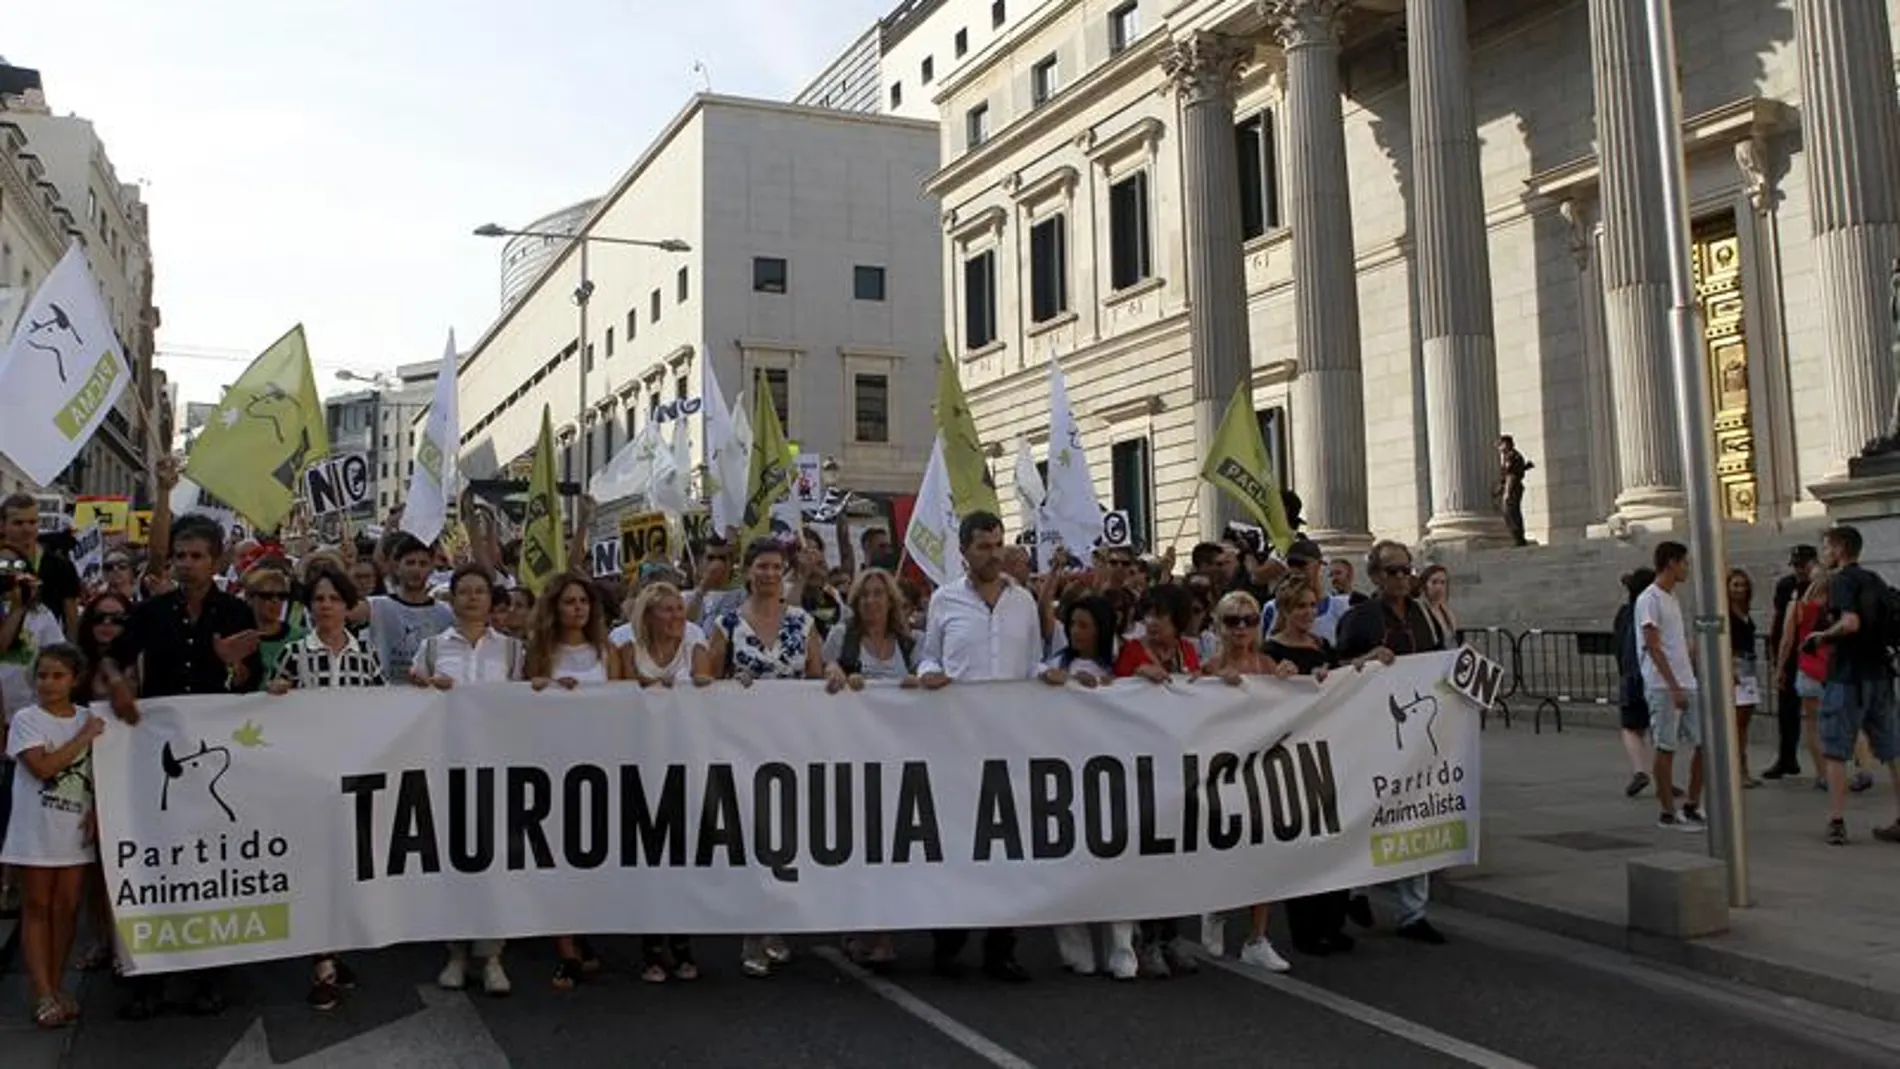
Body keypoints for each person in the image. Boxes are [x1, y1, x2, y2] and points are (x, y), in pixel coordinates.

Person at [101, 514, 265, 1019]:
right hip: (158, 756)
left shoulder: (236, 609)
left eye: (197, 557)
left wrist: (232, 663)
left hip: (215, 758)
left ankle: (210, 973)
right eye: (180, 556)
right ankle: (149, 974)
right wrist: (119, 685)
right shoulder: (151, 612)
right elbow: (109, 658)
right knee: (157, 860)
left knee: (212, 860)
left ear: (216, 561)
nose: (187, 565)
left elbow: (250, 685)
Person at [917, 510, 1042, 983]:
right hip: (957, 742)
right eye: (984, 546)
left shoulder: (1023, 601)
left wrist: (1044, 673)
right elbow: (930, 653)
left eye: (998, 543)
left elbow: (1028, 663)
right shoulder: (944, 600)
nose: (994, 554)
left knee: (1008, 845)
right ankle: (948, 939)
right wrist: (930, 673)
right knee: (955, 840)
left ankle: (1002, 945)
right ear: (965, 551)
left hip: (1010, 742)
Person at [265, 566, 383, 1010]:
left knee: (344, 869)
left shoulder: (365, 655)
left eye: (334, 599)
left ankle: (332, 949)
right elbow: (269, 716)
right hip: (307, 779)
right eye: (318, 599)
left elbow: (383, 713)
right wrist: (274, 693)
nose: (326, 606)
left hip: (351, 777)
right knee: (313, 869)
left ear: (348, 605)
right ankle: (323, 963)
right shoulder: (295, 654)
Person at [708, 538, 822, 977]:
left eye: (777, 566)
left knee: (784, 841)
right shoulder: (728, 625)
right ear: (748, 571)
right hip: (743, 748)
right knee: (750, 840)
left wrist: (831, 673)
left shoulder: (802, 622)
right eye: (762, 566)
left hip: (791, 748)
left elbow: (815, 676)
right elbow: (705, 677)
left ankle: (775, 926)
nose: (770, 574)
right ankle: (751, 933)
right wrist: (725, 683)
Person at [410, 564, 520, 997]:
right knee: (453, 859)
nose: (473, 598)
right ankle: (455, 952)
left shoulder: (512, 651)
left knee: (495, 862)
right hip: (447, 763)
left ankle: (492, 955)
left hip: (497, 764)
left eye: (480, 591)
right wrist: (421, 688)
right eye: (464, 591)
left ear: (492, 601)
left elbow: (528, 704)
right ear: (452, 599)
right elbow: (411, 700)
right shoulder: (433, 647)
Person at [1267, 575, 1386, 957]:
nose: (1306, 612)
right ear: (1285, 610)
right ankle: (1306, 928)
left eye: (1310, 605)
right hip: (1291, 754)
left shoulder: (1320, 645)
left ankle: (1332, 922)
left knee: (1333, 837)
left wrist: (1371, 660)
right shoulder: (1271, 650)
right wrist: (1282, 677)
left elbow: (1343, 675)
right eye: (1299, 606)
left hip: (1329, 749)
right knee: (1303, 841)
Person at [1334, 540, 1445, 944]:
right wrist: (1362, 662)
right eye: (1393, 571)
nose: (1402, 578)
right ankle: (1357, 889)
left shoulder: (1424, 616)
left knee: (1417, 814)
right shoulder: (1359, 618)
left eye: (1406, 570)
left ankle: (1413, 912)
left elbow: (1439, 661)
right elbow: (1336, 669)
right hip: (1373, 734)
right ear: (1377, 577)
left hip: (1416, 737)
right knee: (1370, 814)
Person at [523, 572, 625, 988]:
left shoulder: (607, 649)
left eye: (583, 601)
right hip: (552, 763)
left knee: (587, 853)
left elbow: (623, 700)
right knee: (555, 856)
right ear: (555, 607)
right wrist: (545, 686)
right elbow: (524, 695)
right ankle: (565, 948)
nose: (577, 608)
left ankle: (580, 928)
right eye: (569, 601)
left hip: (597, 763)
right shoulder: (541, 649)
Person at [2, 644, 105, 1028]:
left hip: (74, 831)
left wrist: (97, 809)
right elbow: (42, 768)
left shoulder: (88, 716)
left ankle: (57, 985)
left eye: (58, 675)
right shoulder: (27, 719)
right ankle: (42, 990)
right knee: (38, 907)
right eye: (43, 675)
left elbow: (101, 774)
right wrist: (83, 738)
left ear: (74, 679)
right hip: (35, 830)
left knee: (66, 909)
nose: (48, 682)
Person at [821, 569, 917, 972]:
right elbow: (823, 677)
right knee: (858, 846)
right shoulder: (842, 640)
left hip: (899, 762)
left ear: (891, 601)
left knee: (892, 848)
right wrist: (835, 674)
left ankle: (885, 930)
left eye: (880, 594)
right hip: (853, 759)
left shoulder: (912, 645)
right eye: (865, 596)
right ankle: (859, 926)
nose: (873, 602)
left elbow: (930, 676)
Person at [1200, 590, 1295, 973]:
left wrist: (1298, 679)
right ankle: (1217, 907)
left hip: (1262, 772)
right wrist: (1211, 685)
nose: (1241, 628)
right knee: (1227, 852)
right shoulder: (1207, 669)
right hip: (1219, 774)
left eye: (1249, 620)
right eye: (1232, 621)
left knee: (1264, 854)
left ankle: (1257, 937)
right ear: (1219, 626)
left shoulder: (1269, 666)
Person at [1802, 525, 1900, 845]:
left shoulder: (1842, 581)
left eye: (1828, 548)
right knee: (1892, 750)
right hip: (1880, 674)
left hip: (1847, 676)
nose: (1825, 554)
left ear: (1841, 549)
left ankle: (1836, 820)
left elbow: (1851, 622)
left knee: (1835, 751)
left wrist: (1821, 637)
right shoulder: (1874, 580)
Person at [1638, 541, 1706, 833]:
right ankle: (1667, 810)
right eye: (1684, 563)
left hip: (1686, 680)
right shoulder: (1649, 598)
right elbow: (1653, 646)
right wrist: (1673, 685)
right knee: (1666, 747)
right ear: (1670, 563)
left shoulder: (1672, 598)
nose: (1686, 569)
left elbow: (1675, 643)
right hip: (1664, 685)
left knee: (1704, 743)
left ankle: (1692, 802)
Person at [366, 534, 454, 684]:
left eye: (423, 563)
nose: (416, 569)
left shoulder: (446, 614)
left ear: (431, 568)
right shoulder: (376, 606)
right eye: (410, 563)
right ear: (397, 567)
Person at [1763, 545, 1818, 780]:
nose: (1799, 570)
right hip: (1791, 654)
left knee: (1815, 713)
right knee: (1787, 710)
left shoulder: (1821, 586)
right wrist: (1776, 656)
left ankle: (1824, 767)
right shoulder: (1786, 586)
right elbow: (1778, 620)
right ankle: (1787, 757)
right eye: (1795, 565)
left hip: (1813, 652)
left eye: (1802, 564)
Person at [1, 494, 80, 637]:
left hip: (46, 651)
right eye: (18, 523)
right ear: (2, 526)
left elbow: (71, 621)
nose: (27, 529)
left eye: (32, 522)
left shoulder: (61, 566)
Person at [1612, 569, 1658, 797]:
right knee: (1651, 727)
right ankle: (1660, 775)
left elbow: (1619, 646)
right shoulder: (1651, 610)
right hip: (1652, 675)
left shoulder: (1625, 613)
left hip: (1631, 676)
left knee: (1631, 728)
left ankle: (1641, 770)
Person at [1727, 569, 1762, 788]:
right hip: (1736, 664)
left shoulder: (1744, 610)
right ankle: (1738, 770)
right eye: (1735, 585)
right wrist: (1729, 669)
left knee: (1744, 721)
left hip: (1749, 665)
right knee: (1737, 723)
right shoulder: (1725, 612)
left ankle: (1741, 768)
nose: (1740, 589)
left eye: (1743, 585)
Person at [243, 565, 306, 677]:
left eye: (282, 596)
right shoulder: (239, 640)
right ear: (249, 598)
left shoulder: (302, 638)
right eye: (267, 596)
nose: (275, 601)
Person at [1496, 435, 1532, 546]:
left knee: (1511, 512)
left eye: (1500, 445)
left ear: (1506, 444)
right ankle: (1518, 537)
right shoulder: (1509, 456)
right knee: (1511, 512)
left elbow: (1511, 475)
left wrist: (1507, 491)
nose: (1499, 448)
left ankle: (1518, 538)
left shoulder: (1512, 456)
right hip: (1511, 486)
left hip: (1512, 486)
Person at [1418, 564, 1455, 640]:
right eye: (1434, 582)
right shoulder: (1418, 608)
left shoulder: (1446, 612)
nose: (1438, 587)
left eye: (1442, 582)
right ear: (1425, 585)